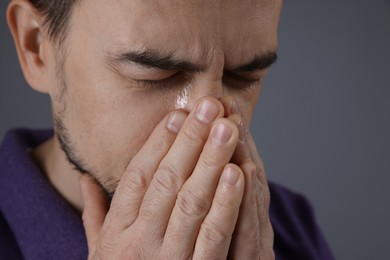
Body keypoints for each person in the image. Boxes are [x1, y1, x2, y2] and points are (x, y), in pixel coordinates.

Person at [0, 0, 334, 259]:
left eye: (245, 77)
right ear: (36, 46)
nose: (212, 123)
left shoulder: (290, 227)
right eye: (154, 74)